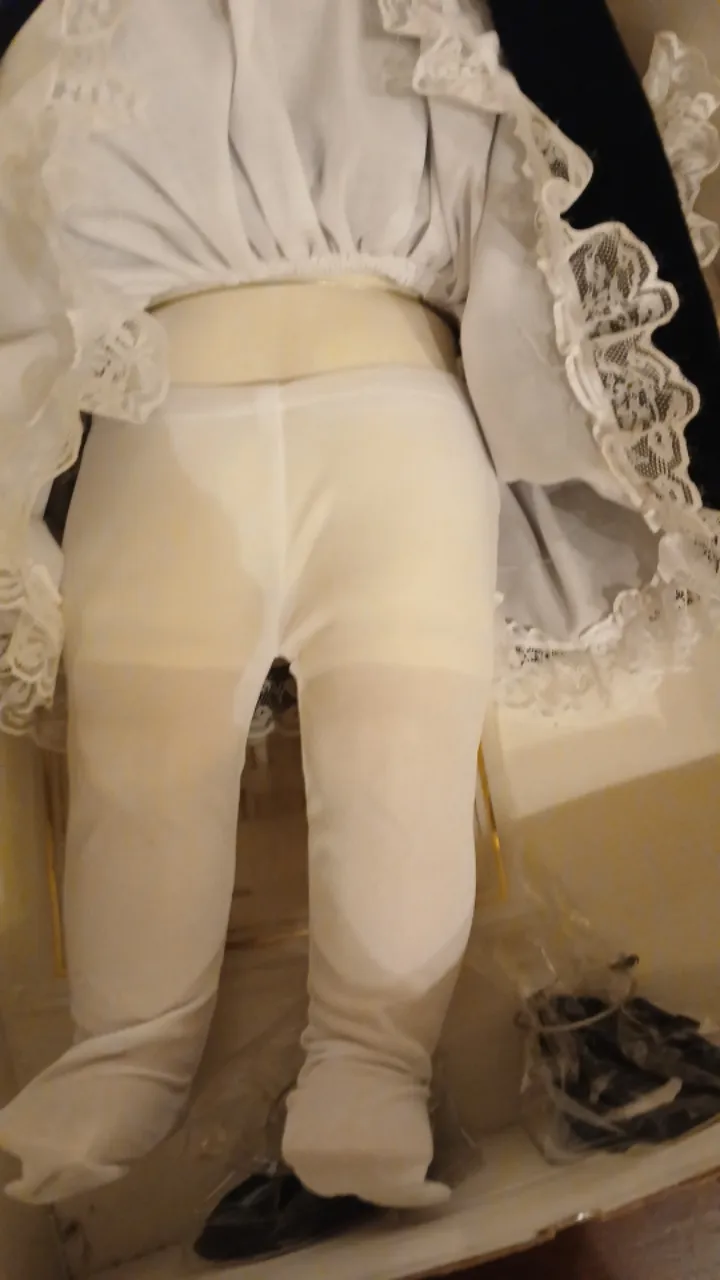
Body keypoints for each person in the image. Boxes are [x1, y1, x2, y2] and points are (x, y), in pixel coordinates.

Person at [0, 0, 718, 1262]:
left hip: (241, 409)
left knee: (289, 761)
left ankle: (327, 1074)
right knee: (234, 758)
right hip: (314, 400)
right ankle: (188, 1063)